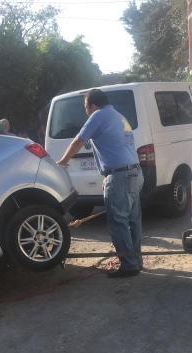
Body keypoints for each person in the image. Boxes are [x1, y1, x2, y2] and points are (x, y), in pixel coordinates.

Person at [57, 89, 144, 279]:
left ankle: (129, 266)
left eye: (86, 108)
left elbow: (79, 140)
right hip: (135, 172)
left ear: (93, 106)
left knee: (118, 222)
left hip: (120, 175)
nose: (86, 112)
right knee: (133, 221)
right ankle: (136, 261)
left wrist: (62, 162)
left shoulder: (98, 115)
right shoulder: (120, 116)